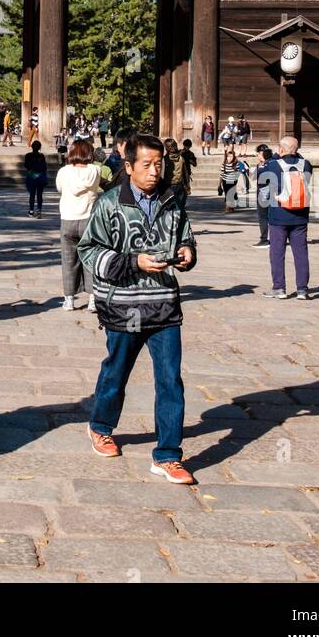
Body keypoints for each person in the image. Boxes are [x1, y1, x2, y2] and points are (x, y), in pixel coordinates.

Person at [78, 133, 197, 483]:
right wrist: (134, 263)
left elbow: (186, 237)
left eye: (159, 164)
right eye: (146, 164)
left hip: (163, 305)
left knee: (170, 380)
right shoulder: (110, 203)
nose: (154, 171)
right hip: (123, 305)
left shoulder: (173, 200)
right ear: (128, 166)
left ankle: (168, 455)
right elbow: (89, 250)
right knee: (117, 372)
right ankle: (100, 426)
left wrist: (188, 254)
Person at [263, 136, 313, 299]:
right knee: (301, 253)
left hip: (278, 215)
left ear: (281, 149)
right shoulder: (306, 164)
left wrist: (277, 156)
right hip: (300, 216)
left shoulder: (272, 165)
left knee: (277, 252)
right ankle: (302, 290)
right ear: (297, 149)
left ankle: (279, 288)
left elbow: (263, 182)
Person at [55, 139, 101, 312]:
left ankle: (69, 300)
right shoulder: (95, 170)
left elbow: (60, 188)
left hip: (68, 218)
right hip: (89, 219)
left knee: (68, 260)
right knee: (90, 260)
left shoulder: (63, 172)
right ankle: (93, 299)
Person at [253, 143, 274, 245]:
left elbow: (261, 179)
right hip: (271, 194)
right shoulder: (272, 163)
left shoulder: (266, 165)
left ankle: (264, 239)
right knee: (271, 217)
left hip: (264, 194)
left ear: (262, 153)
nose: (257, 155)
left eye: (258, 153)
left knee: (263, 217)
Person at [24, 139, 48, 218]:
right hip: (40, 177)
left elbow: (26, 165)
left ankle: (31, 211)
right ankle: (39, 211)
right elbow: (45, 167)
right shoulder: (41, 156)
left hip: (31, 176)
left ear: (32, 147)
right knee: (39, 195)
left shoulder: (28, 155)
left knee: (32, 194)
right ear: (39, 148)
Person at [164, 137, 187, 211]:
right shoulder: (181, 158)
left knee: (169, 207)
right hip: (179, 185)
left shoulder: (164, 159)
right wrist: (187, 186)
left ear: (167, 148)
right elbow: (185, 173)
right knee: (180, 206)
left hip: (167, 186)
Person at [218, 144, 240, 212]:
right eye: (228, 157)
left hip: (233, 182)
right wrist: (219, 184)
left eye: (231, 157)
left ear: (233, 157)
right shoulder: (224, 165)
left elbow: (238, 174)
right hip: (225, 181)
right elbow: (221, 174)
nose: (229, 158)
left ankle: (229, 207)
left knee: (231, 194)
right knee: (227, 194)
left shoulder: (236, 164)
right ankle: (228, 206)